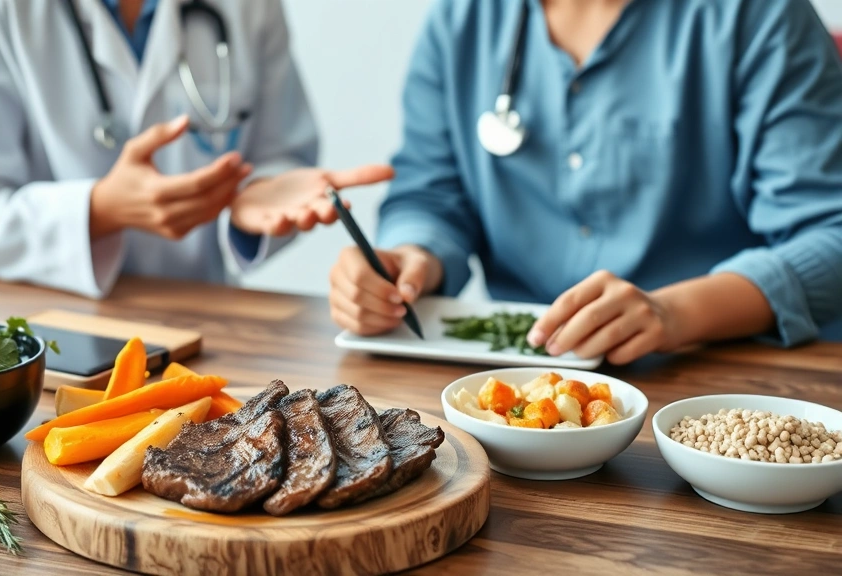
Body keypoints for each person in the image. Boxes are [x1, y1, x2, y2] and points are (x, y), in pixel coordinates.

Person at [329, 0, 842, 364]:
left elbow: (830, 234)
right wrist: (412, 258)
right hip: (516, 374)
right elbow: (430, 192)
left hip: (717, 381)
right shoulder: (461, 18)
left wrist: (674, 313)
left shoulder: (762, 15)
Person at [0, 0, 392, 298]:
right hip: (56, 341)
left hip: (204, 328)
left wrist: (254, 195)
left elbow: (279, 151)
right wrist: (100, 209)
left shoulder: (249, 5)